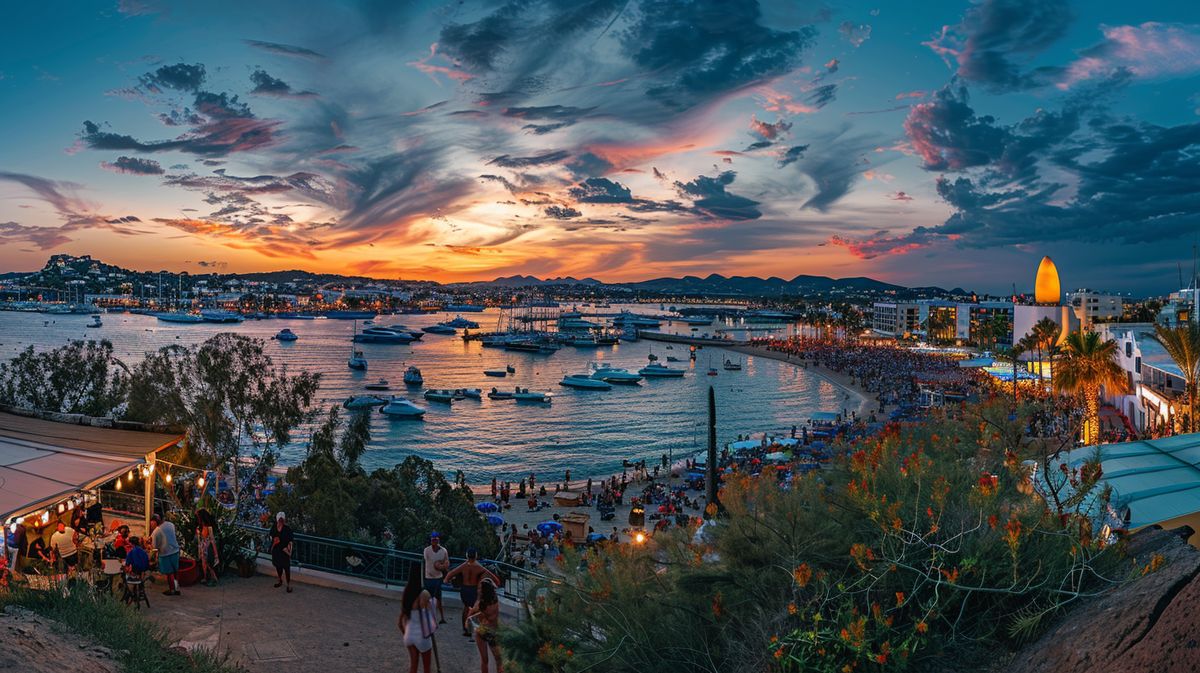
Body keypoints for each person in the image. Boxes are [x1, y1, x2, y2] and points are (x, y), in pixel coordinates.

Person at [444, 548, 501, 636]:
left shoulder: (463, 566)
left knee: (466, 608)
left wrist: (448, 582)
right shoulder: (479, 567)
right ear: (476, 556)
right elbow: (496, 580)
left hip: (464, 589)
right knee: (477, 610)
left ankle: (466, 630)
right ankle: (478, 630)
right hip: (474, 590)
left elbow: (449, 575)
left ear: (467, 556)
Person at [399, 563, 438, 673]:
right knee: (426, 668)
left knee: (413, 666)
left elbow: (400, 621)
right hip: (422, 636)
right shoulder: (424, 593)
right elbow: (431, 614)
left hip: (409, 635)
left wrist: (407, 632)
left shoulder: (406, 593)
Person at [467, 578, 502, 673]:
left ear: (484, 591)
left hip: (482, 631)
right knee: (499, 661)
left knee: (484, 660)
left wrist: (471, 613)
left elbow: (472, 615)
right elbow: (493, 583)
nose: (478, 590)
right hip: (492, 632)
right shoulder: (495, 599)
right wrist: (487, 581)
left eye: (480, 589)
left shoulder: (481, 604)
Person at [150, 513, 182, 596]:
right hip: (175, 550)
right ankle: (176, 588)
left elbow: (154, 547)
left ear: (154, 522)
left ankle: (172, 590)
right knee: (175, 571)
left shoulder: (156, 531)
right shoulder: (170, 524)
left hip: (165, 553)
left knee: (169, 573)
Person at [422, 532, 449, 624]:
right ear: (431, 540)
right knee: (428, 598)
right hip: (428, 577)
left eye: (435, 539)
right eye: (433, 539)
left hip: (438, 577)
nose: (434, 541)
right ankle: (429, 617)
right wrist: (439, 564)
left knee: (438, 598)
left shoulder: (444, 551)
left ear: (438, 540)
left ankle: (441, 617)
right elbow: (429, 561)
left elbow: (446, 563)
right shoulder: (427, 550)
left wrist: (441, 565)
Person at [269, 511, 294, 592]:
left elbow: (290, 541)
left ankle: (288, 584)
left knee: (286, 568)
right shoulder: (274, 527)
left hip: (284, 551)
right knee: (278, 567)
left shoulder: (287, 529)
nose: (280, 521)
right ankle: (280, 580)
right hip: (277, 551)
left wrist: (289, 551)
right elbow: (271, 537)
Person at [195, 508, 219, 587]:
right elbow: (200, 540)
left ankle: (214, 579)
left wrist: (215, 554)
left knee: (209, 564)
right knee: (204, 564)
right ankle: (206, 578)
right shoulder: (200, 527)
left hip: (208, 548)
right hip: (203, 548)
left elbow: (212, 540)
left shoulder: (209, 528)